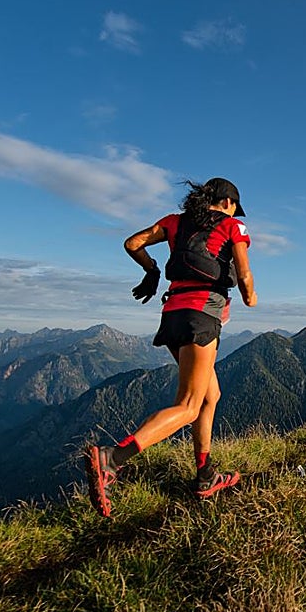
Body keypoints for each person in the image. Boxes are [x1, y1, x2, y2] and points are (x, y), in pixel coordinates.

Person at [86, 177, 258, 516]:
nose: (237, 211)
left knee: (211, 396)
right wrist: (250, 298)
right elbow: (244, 274)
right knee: (190, 405)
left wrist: (151, 271)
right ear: (227, 202)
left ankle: (205, 475)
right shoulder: (233, 227)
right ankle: (112, 460)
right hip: (201, 317)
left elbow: (132, 242)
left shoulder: (174, 222)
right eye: (236, 206)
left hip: (172, 315)